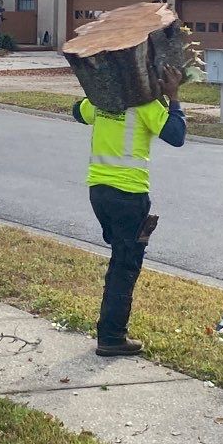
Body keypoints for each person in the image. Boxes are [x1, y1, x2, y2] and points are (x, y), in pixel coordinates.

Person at [73, 66, 186, 356]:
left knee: (119, 259)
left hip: (98, 192)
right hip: (129, 194)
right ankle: (111, 337)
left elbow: (77, 111)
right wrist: (173, 97)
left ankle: (109, 329)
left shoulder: (102, 101)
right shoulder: (145, 105)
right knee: (125, 265)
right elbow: (176, 134)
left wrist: (94, 88)